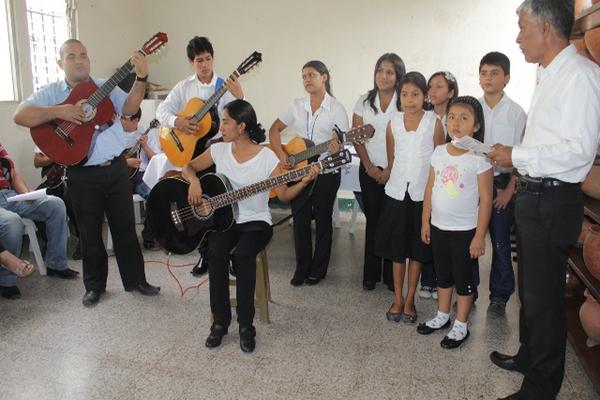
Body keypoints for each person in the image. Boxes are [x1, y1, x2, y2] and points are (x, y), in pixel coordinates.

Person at [487, 1, 600, 398]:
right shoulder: (550, 73)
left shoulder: (581, 76)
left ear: (546, 29)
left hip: (553, 200)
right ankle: (528, 355)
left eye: (522, 27)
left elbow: (578, 152)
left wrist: (515, 156)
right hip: (535, 197)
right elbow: (548, 141)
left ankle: (541, 385)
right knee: (529, 289)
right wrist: (515, 152)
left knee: (545, 298)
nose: (518, 37)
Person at [13, 38, 160, 307]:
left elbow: (128, 108)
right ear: (61, 62)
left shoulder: (103, 86)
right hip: (81, 173)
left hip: (115, 169)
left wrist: (141, 78)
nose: (79, 60)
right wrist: (61, 111)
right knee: (89, 232)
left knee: (125, 228)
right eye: (71, 56)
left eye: (83, 55)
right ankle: (94, 287)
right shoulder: (51, 92)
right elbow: (20, 115)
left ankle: (136, 281)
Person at [183, 99, 319, 352]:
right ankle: (220, 323)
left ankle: (246, 325)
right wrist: (194, 182)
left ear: (242, 126)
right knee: (216, 253)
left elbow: (285, 196)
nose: (220, 126)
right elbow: (188, 167)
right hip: (224, 221)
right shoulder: (218, 150)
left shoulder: (267, 157)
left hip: (256, 222)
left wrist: (303, 182)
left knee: (245, 255)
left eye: (225, 121)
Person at [156, 35, 244, 276]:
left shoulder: (224, 87)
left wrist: (239, 97)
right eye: (199, 61)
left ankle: (231, 255)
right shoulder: (184, 87)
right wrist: (179, 122)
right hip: (194, 155)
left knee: (225, 205)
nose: (205, 65)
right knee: (200, 206)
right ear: (191, 63)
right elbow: (161, 110)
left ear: (213, 58)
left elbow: (241, 117)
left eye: (208, 59)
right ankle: (206, 256)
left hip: (220, 153)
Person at [418, 96, 493, 349]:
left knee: (463, 278)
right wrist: (425, 221)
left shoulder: (480, 157)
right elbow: (430, 187)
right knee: (443, 274)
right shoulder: (439, 152)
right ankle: (442, 315)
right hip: (439, 226)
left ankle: (461, 324)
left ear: (476, 126)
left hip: (465, 231)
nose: (456, 123)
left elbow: (486, 198)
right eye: (451, 117)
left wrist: (479, 236)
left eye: (464, 118)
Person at [269, 60, 349, 286]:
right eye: (303, 76)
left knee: (323, 221)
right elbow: (274, 129)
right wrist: (281, 154)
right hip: (298, 172)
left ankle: (318, 269)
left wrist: (335, 147)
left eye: (312, 75)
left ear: (324, 77)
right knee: (300, 220)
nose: (307, 80)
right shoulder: (297, 105)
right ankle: (302, 267)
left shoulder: (336, 109)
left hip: (326, 173)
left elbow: (339, 143)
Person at [374, 72, 445, 323]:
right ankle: (397, 299)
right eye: (404, 94)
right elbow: (392, 160)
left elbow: (439, 160)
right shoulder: (393, 122)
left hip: (421, 195)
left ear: (425, 96)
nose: (410, 99)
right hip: (396, 193)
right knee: (396, 250)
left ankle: (411, 299)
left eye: (415, 94)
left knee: (416, 250)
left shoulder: (434, 122)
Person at [478, 51, 526, 317]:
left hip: (501, 184)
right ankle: (467, 289)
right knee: (468, 237)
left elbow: (523, 153)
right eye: (484, 73)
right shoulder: (472, 109)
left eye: (495, 73)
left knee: (499, 241)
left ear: (506, 78)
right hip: (473, 183)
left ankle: (499, 295)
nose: (488, 78)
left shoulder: (517, 113)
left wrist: (511, 189)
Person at [353, 53, 405, 292]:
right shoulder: (364, 101)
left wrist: (391, 170)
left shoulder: (404, 102)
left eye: (390, 72)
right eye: (380, 71)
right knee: (373, 221)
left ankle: (390, 277)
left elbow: (405, 140)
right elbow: (357, 138)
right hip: (370, 169)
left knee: (393, 223)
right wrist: (370, 167)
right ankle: (369, 275)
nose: (383, 76)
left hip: (397, 171)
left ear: (397, 76)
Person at [0, 142, 77, 300]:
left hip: (8, 194)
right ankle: (6, 281)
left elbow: (13, 173)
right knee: (12, 221)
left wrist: (26, 194)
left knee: (55, 204)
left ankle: (56, 264)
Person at [419, 71, 460, 300]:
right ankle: (428, 280)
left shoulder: (457, 118)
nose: (432, 91)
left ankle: (446, 280)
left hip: (452, 184)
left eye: (439, 87)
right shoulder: (424, 117)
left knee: (446, 233)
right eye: (430, 87)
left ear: (451, 92)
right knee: (427, 230)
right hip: (427, 180)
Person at [121, 108, 162, 249]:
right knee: (116, 201)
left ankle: (149, 237)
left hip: (141, 175)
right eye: (122, 118)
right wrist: (125, 162)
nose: (122, 121)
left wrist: (145, 146)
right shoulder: (115, 132)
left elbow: (156, 159)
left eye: (126, 119)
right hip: (119, 175)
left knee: (154, 195)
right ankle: (124, 241)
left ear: (136, 121)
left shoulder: (146, 132)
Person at [33, 147, 81, 260]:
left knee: (70, 196)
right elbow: (37, 162)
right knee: (35, 201)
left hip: (76, 176)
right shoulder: (46, 135)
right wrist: (56, 156)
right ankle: (50, 242)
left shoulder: (77, 133)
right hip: (54, 180)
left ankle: (84, 240)